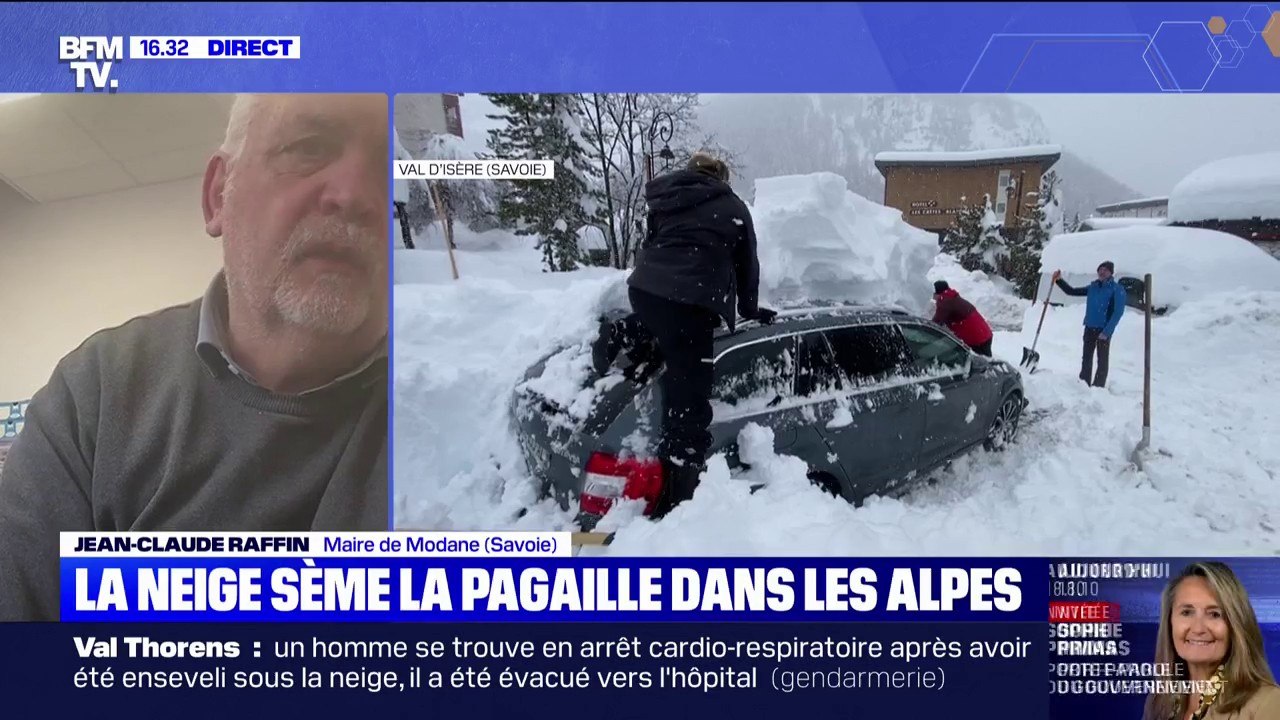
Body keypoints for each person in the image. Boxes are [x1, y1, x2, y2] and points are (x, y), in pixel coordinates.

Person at [0, 94, 389, 620]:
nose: (358, 194)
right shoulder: (96, 395)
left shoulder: (462, 410)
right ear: (218, 197)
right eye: (309, 147)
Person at [607, 152, 773, 515]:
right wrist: (749, 309)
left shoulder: (667, 197)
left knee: (662, 327)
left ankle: (623, 330)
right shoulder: (731, 205)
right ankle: (682, 496)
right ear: (722, 177)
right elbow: (748, 264)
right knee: (690, 396)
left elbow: (652, 243)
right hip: (689, 299)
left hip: (647, 289)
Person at [1143, 562, 1280, 720]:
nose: (1198, 628)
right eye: (1187, 612)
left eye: (1214, 614)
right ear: (1170, 622)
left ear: (1236, 625)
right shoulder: (1159, 703)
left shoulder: (1269, 703)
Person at [1053, 261, 1126, 388]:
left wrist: (1107, 331)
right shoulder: (1093, 287)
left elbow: (1118, 312)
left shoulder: (1116, 289)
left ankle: (1098, 387)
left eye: (1105, 270)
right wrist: (1059, 281)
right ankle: (1083, 384)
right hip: (1089, 327)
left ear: (1111, 273)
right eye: (1100, 269)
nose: (1102, 272)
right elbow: (1072, 291)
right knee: (1086, 358)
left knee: (1102, 360)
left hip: (1103, 330)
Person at [931, 280, 994, 357]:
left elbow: (934, 323)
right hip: (985, 334)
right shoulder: (952, 296)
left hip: (976, 339)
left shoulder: (944, 302)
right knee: (986, 362)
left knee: (980, 364)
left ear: (937, 293)